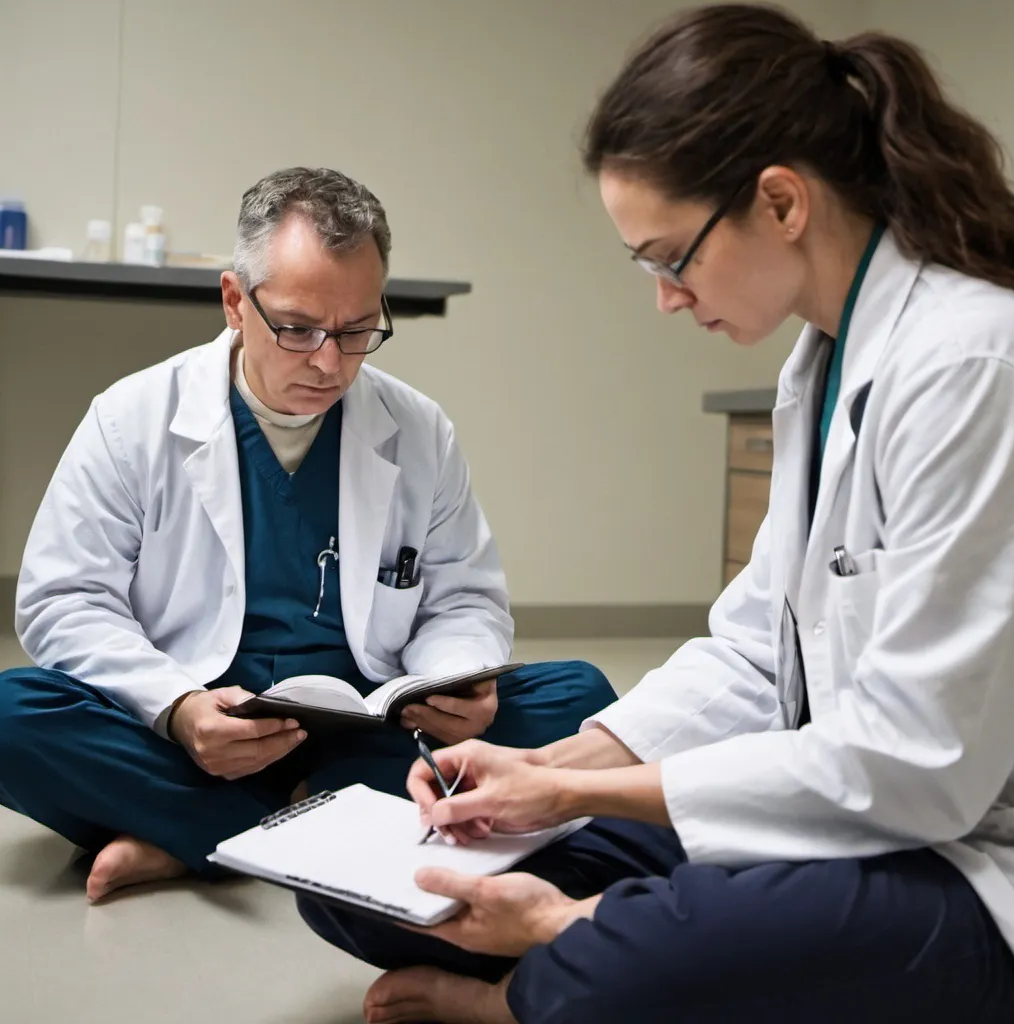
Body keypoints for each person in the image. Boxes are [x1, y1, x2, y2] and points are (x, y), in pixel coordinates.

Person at [296, 7, 1014, 1022]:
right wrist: (546, 767)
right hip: (840, 816)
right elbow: (751, 654)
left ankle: (548, 958)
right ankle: (574, 939)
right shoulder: (820, 365)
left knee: (632, 962)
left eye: (669, 256)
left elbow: (915, 767)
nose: (665, 298)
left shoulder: (975, 364)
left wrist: (572, 814)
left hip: (965, 860)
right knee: (379, 890)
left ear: (779, 202)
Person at [0, 167, 614, 904]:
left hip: (364, 725)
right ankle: (308, 820)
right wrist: (177, 706)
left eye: (357, 331)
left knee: (579, 697)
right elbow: (63, 602)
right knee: (14, 714)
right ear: (235, 301)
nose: (329, 361)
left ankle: (201, 836)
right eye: (298, 329)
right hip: (197, 735)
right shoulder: (131, 418)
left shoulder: (418, 430)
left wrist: (458, 679)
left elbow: (464, 601)